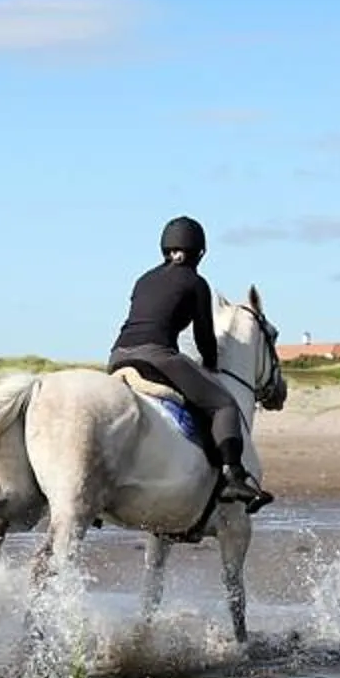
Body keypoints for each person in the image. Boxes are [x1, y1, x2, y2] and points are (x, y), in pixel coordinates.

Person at [109, 214, 268, 510]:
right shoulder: (195, 282)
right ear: (200, 251)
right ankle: (234, 476)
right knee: (224, 404)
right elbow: (204, 337)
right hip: (157, 356)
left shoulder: (144, 278)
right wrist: (210, 364)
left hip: (117, 357)